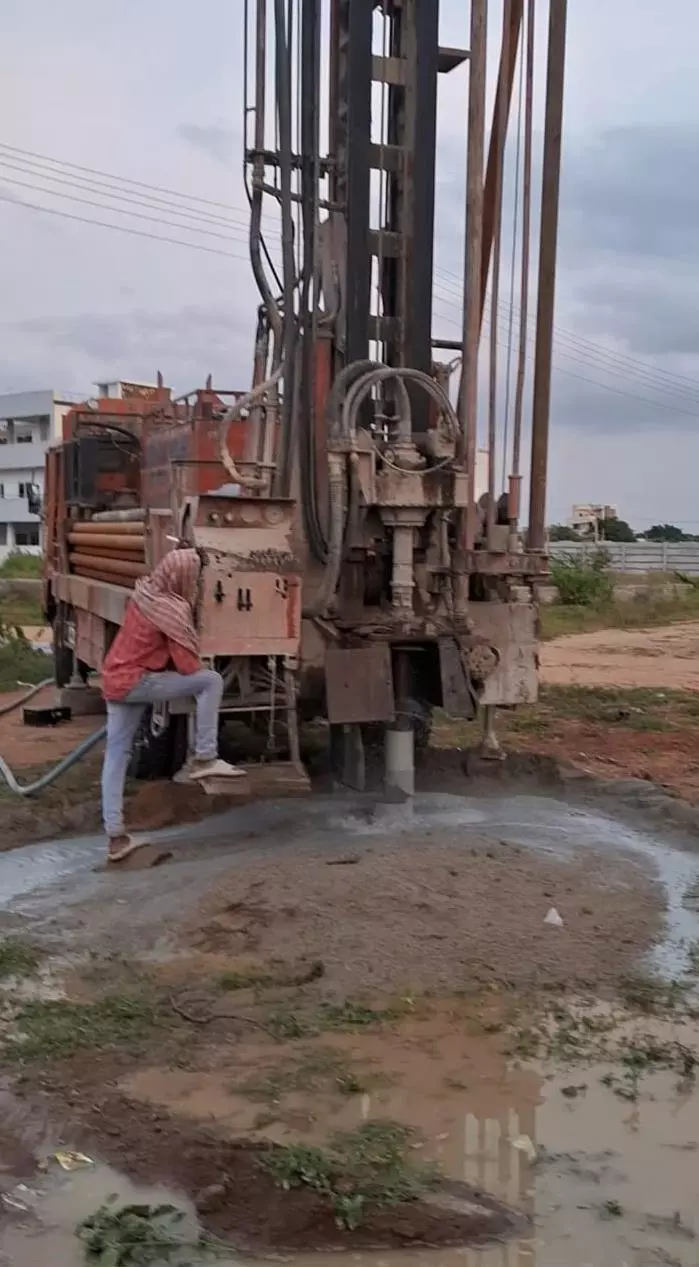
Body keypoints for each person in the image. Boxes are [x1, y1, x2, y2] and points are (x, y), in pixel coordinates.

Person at [100, 546, 244, 864]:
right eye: (195, 577)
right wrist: (198, 648)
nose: (196, 583)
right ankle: (205, 757)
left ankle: (115, 837)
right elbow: (188, 668)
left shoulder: (146, 594)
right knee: (211, 682)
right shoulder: (170, 609)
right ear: (184, 576)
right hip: (138, 681)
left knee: (117, 755)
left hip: (115, 680)